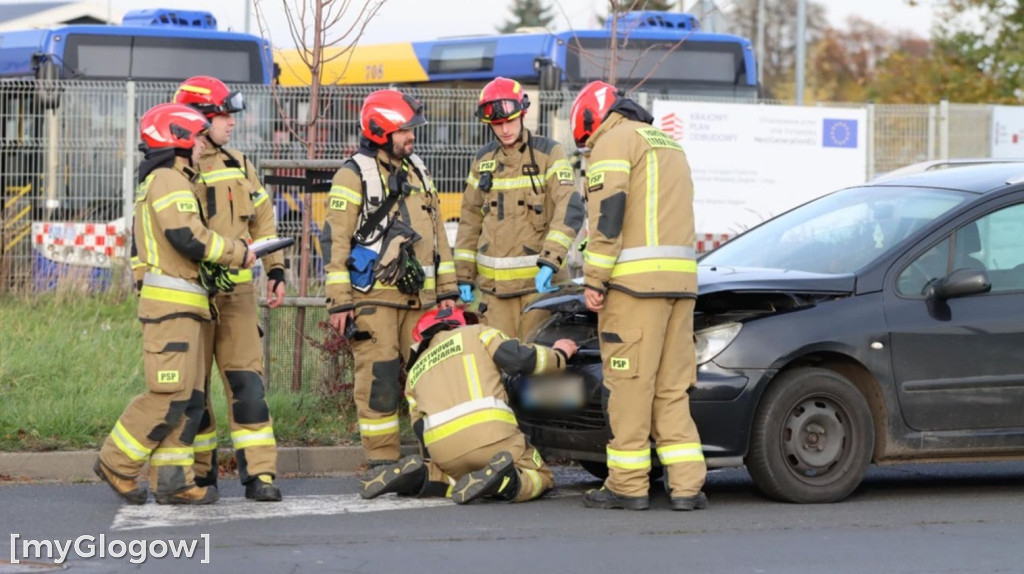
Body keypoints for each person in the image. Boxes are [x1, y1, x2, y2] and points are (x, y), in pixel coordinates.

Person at [95, 103, 255, 505]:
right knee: (168, 394)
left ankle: (174, 481)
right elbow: (190, 238)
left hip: (183, 309)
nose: (203, 146)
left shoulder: (175, 179)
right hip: (172, 311)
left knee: (186, 397)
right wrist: (238, 252)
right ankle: (117, 461)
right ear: (180, 141)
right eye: (198, 138)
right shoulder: (169, 180)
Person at [569, 81, 708, 511]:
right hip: (681, 286)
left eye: (585, 139)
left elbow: (608, 215)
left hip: (634, 288)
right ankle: (687, 486)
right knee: (672, 388)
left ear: (593, 121)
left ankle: (628, 484)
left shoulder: (613, 143)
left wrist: (595, 278)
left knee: (629, 387)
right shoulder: (667, 143)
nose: (587, 145)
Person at [321, 89, 459, 473]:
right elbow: (336, 242)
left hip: (422, 301)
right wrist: (340, 301)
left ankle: (438, 456)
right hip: (374, 300)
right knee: (379, 381)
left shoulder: (418, 169)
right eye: (404, 131)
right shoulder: (353, 175)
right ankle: (382, 461)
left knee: (431, 379)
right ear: (380, 130)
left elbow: (437, 236)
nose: (411, 137)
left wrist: (447, 291)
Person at [173, 76, 286, 502]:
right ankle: (201, 475)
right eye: (224, 114)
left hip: (238, 297)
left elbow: (263, 220)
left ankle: (261, 475)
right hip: (192, 296)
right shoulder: (176, 167)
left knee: (248, 386)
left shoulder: (240, 163)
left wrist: (275, 270)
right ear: (200, 118)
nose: (231, 123)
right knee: (194, 391)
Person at [360, 307, 578, 504]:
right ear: (459, 322)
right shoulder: (477, 333)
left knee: (456, 481)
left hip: (444, 452)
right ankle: (508, 481)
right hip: (493, 438)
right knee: (541, 475)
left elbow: (420, 428)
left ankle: (423, 476)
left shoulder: (414, 373)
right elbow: (520, 359)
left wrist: (437, 460)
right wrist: (559, 354)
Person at [454, 77, 585, 338]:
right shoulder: (482, 160)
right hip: (495, 295)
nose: (504, 130)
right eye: (498, 124)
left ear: (522, 114)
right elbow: (469, 219)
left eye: (510, 121)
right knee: (500, 370)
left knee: (543, 367)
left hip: (539, 292)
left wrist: (551, 260)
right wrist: (463, 276)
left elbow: (569, 207)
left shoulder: (550, 153)